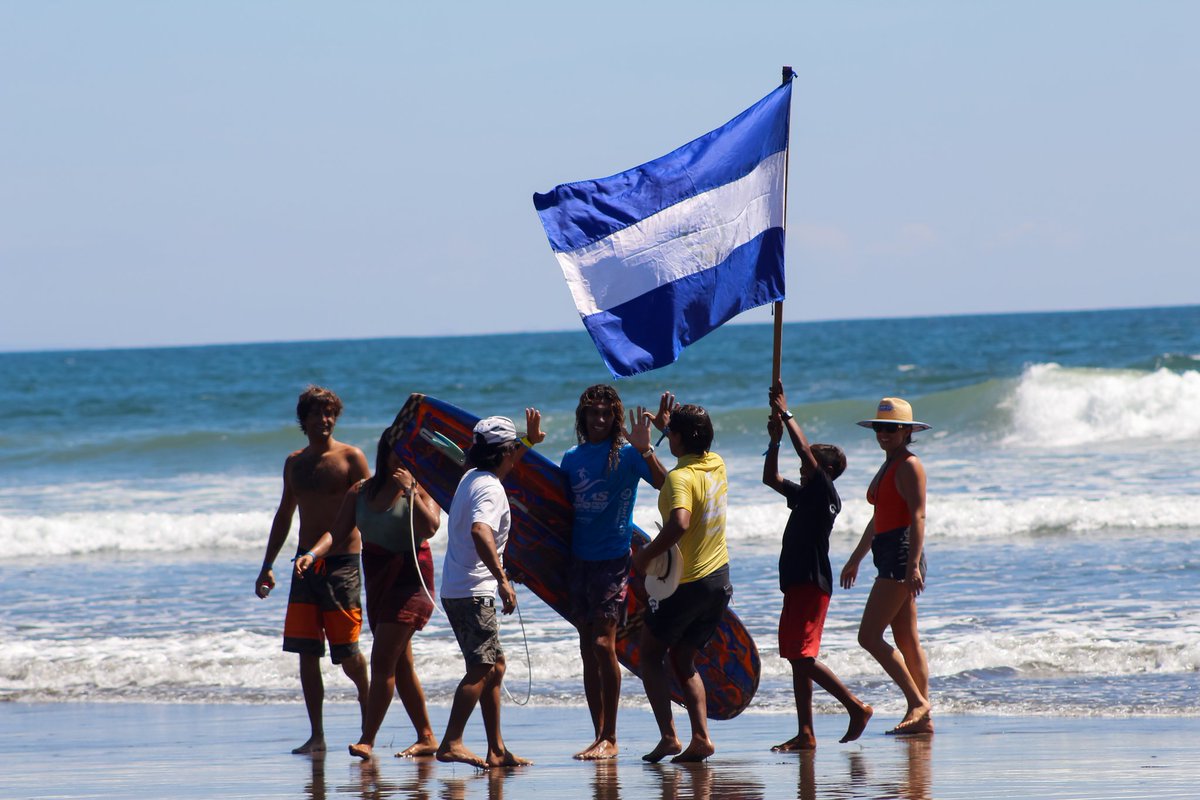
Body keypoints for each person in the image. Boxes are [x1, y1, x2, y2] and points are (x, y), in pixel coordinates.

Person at [295, 433, 441, 760]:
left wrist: (411, 491)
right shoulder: (361, 491)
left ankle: (368, 739)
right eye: (396, 453)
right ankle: (427, 736)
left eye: (407, 454)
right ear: (385, 454)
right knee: (401, 664)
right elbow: (338, 531)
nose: (401, 459)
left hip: (411, 577)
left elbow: (431, 527)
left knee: (382, 659)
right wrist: (312, 554)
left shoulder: (421, 487)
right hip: (378, 581)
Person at [254, 385, 371, 754]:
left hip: (342, 565)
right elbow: (284, 514)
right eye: (318, 413)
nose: (326, 420)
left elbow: (370, 511)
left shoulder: (351, 458)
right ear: (303, 419)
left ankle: (369, 728)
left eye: (330, 413)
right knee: (307, 653)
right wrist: (267, 565)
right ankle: (317, 736)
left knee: (349, 654)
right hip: (304, 565)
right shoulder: (295, 463)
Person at [561, 385, 669, 760]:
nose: (600, 420)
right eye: (594, 413)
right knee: (587, 648)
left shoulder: (625, 456)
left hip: (613, 560)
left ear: (616, 416)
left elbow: (664, 484)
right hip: (578, 563)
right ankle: (599, 736)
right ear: (583, 416)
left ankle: (611, 736)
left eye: (607, 413)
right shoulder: (571, 458)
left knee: (604, 644)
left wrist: (646, 449)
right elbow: (557, 512)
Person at [764, 380, 872, 751]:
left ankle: (855, 707)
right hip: (797, 581)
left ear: (824, 469)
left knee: (803, 657)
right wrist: (774, 440)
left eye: (808, 463)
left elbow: (805, 453)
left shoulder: (825, 491)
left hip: (811, 581)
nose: (801, 466)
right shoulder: (807, 494)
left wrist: (785, 411)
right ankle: (806, 733)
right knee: (796, 660)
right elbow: (770, 478)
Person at [435, 409, 544, 770]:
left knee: (495, 665)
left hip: (458, 587)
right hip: (473, 590)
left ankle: (496, 749)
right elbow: (481, 530)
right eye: (514, 449)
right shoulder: (491, 489)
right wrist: (502, 579)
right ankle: (451, 742)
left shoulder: (472, 477)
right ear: (504, 453)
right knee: (483, 667)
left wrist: (527, 442)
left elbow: (505, 462)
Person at [631, 399, 731, 763]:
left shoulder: (679, 478)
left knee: (651, 655)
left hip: (684, 585)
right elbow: (679, 475)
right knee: (684, 657)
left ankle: (670, 736)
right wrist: (654, 442)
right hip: (719, 582)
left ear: (677, 438)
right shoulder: (715, 464)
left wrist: (644, 556)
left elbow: (680, 521)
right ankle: (701, 738)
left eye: (670, 433)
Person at [839, 397, 933, 735]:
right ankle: (922, 717)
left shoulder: (909, 464)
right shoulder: (890, 462)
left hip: (901, 555)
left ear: (906, 431)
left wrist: (913, 566)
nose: (884, 434)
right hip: (889, 552)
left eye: (892, 429)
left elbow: (918, 516)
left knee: (868, 636)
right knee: (907, 639)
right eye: (880, 428)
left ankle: (918, 702)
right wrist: (856, 558)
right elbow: (879, 518)